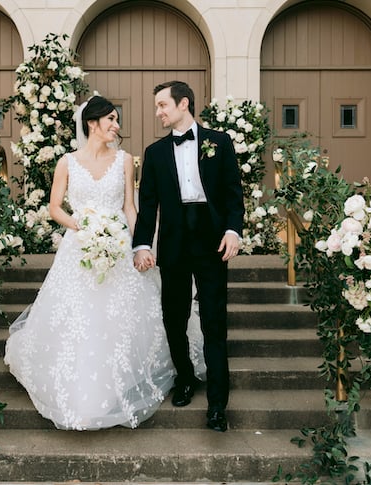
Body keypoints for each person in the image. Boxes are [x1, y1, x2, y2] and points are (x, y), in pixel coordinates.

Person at [4, 95, 177, 430]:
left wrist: (140, 243)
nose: (117, 126)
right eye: (111, 119)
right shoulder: (66, 163)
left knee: (122, 315)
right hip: (80, 243)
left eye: (116, 120)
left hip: (118, 243)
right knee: (79, 317)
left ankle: (120, 381)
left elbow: (129, 205)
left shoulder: (125, 160)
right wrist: (80, 226)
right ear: (92, 123)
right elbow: (55, 208)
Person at [133, 80, 244, 432]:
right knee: (173, 318)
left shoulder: (220, 142)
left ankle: (217, 405)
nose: (158, 112)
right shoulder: (154, 153)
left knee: (214, 323)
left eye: (163, 105)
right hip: (175, 242)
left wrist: (233, 230)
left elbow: (233, 194)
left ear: (184, 104)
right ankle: (184, 378)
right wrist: (142, 245)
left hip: (212, 242)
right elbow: (147, 204)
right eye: (157, 106)